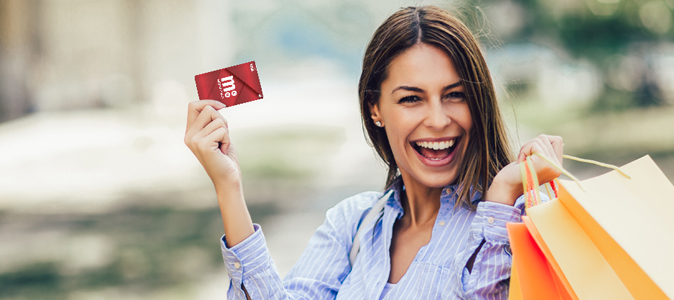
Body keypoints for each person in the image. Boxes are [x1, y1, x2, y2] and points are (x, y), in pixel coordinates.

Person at [184, 5, 563, 300]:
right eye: (411, 99)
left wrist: (500, 198)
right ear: (375, 110)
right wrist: (228, 186)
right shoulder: (352, 223)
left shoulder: (517, 223)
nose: (437, 119)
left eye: (455, 95)